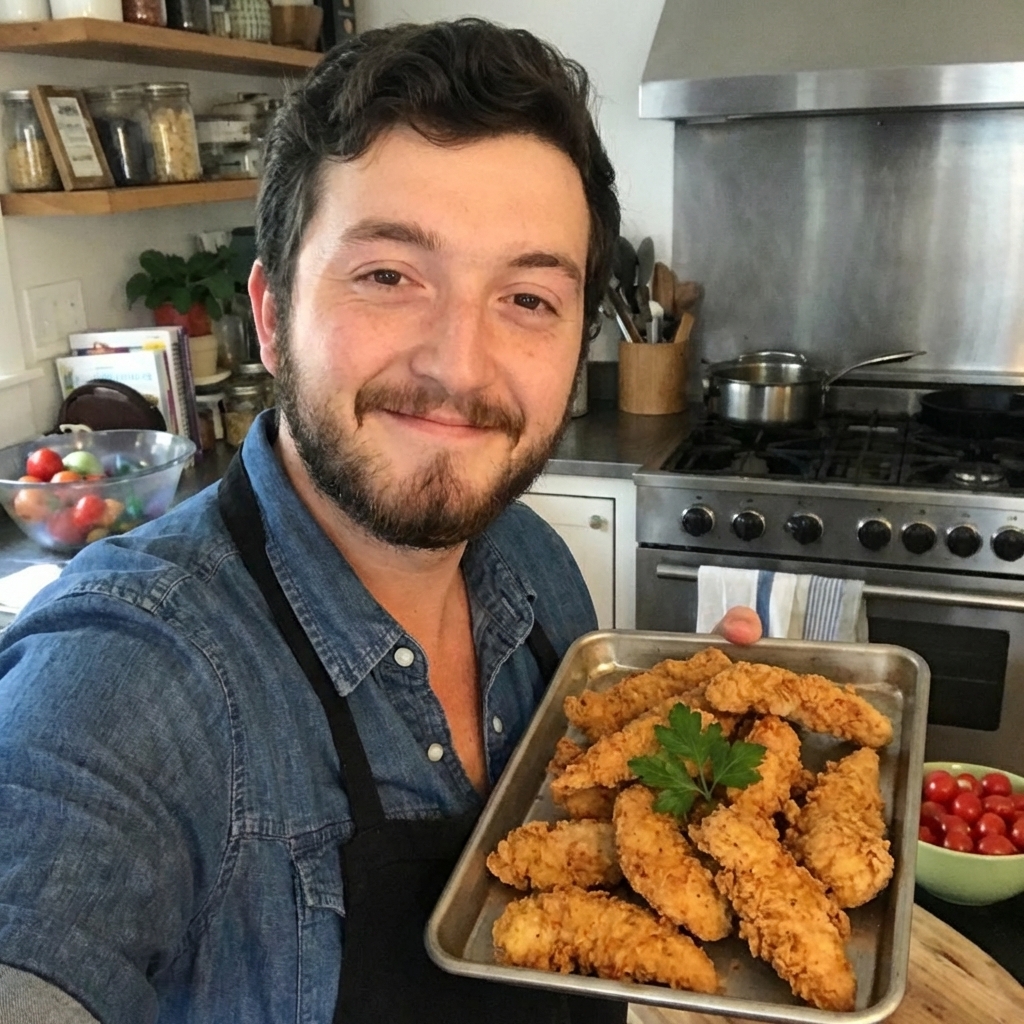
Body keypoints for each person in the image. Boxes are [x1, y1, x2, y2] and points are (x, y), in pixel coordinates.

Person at [0, 19, 760, 1024]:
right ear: (271, 315)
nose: (459, 364)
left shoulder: (533, 567)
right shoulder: (123, 683)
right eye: (389, 276)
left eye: (528, 297)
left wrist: (697, 762)